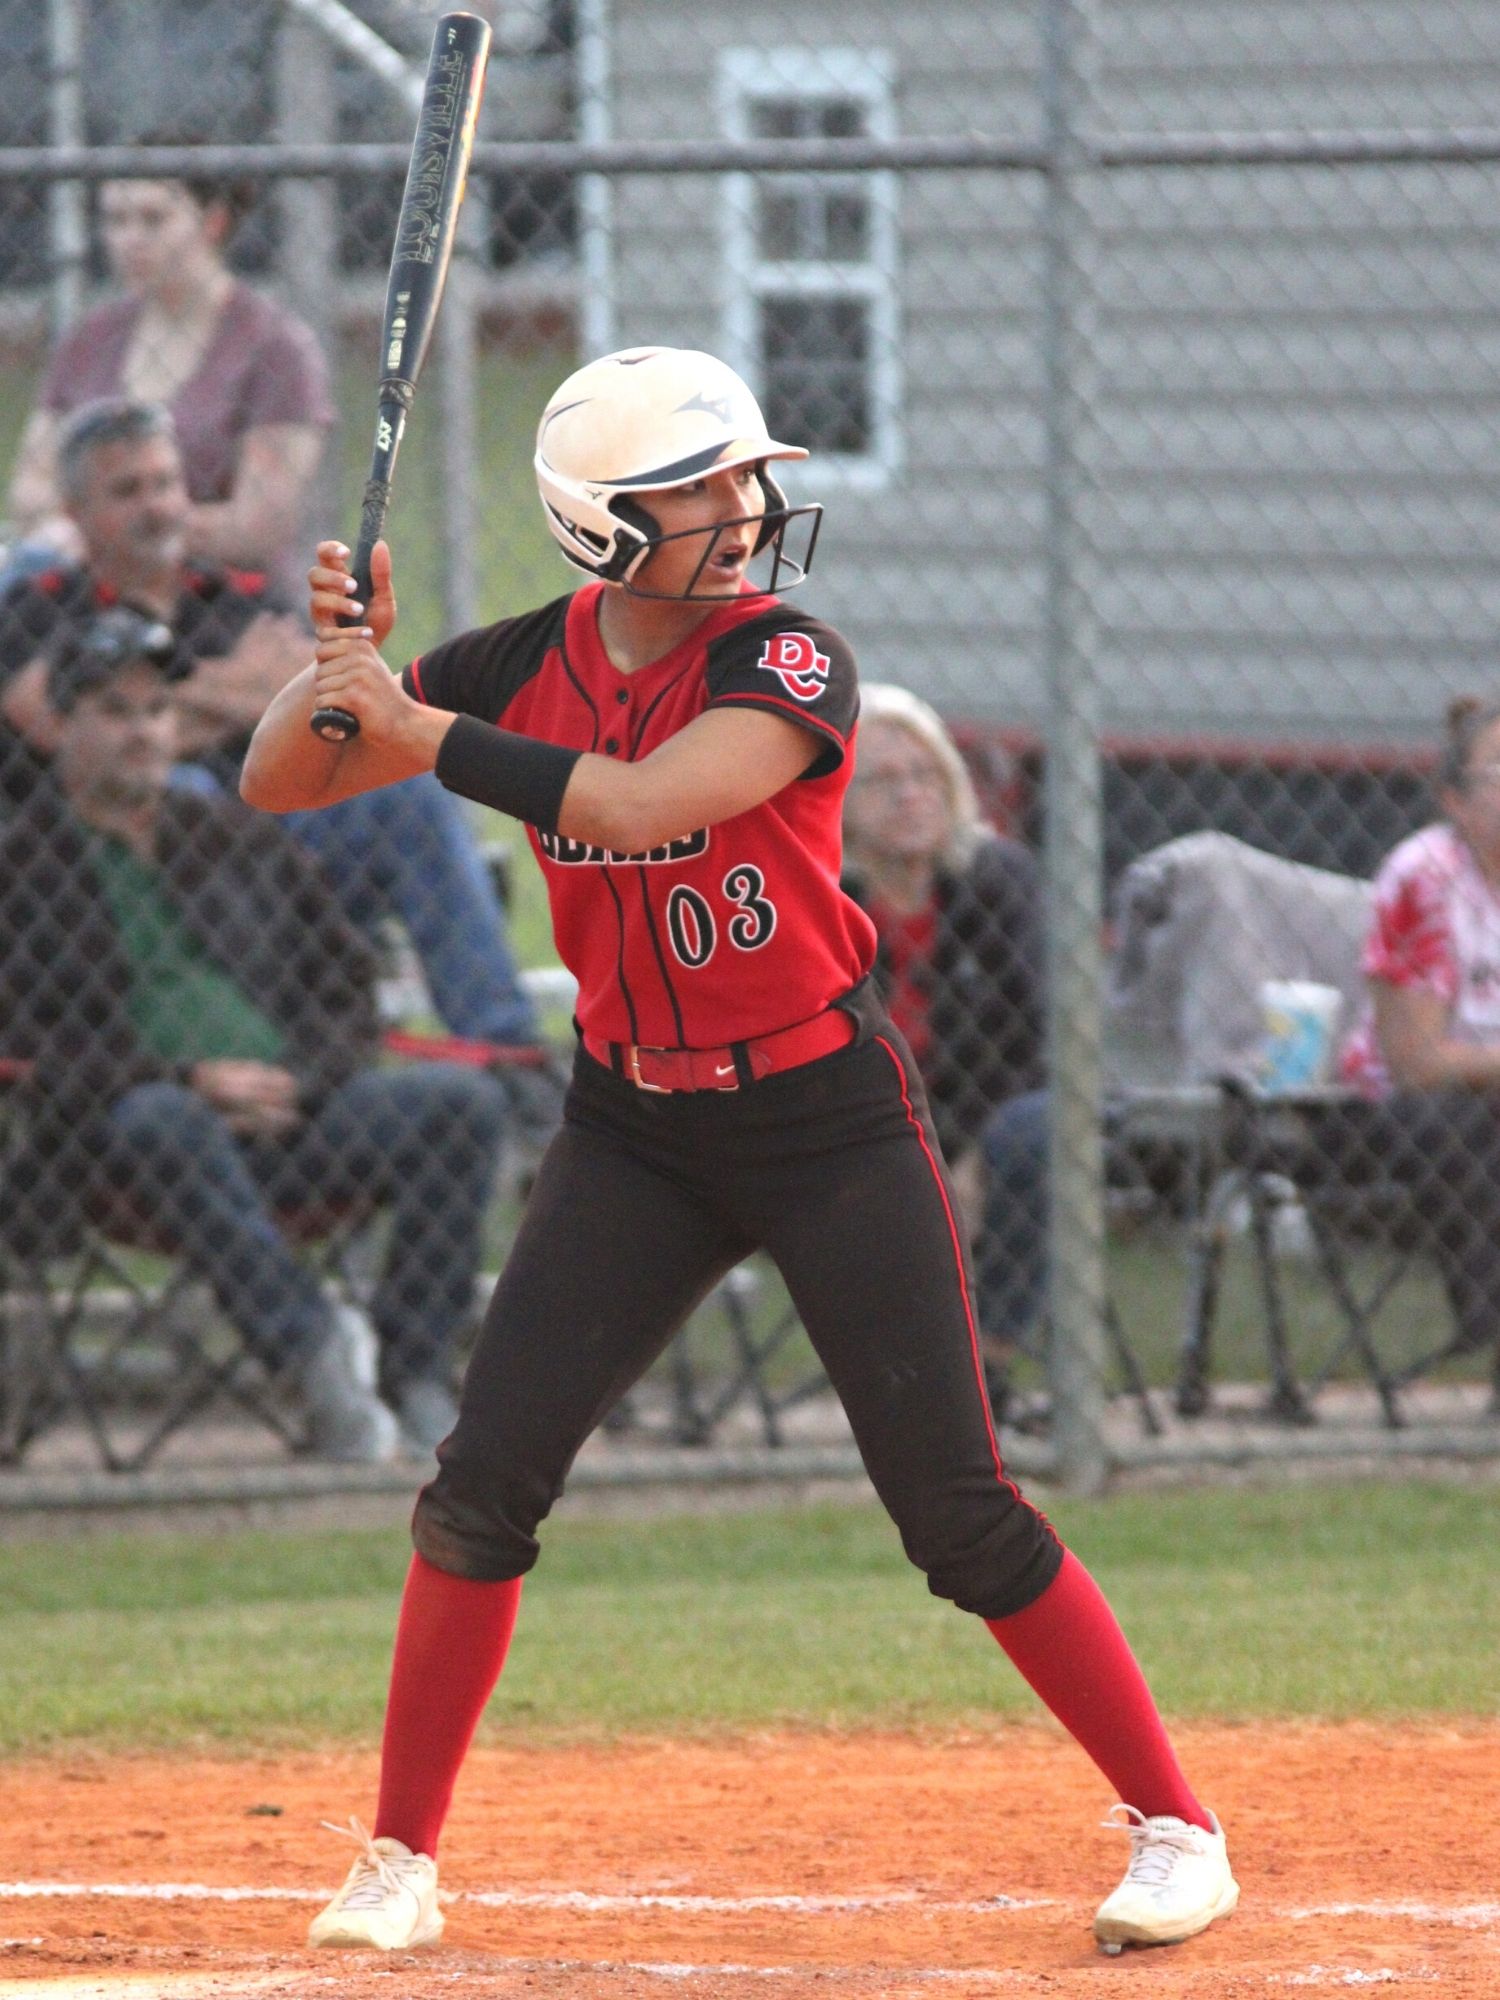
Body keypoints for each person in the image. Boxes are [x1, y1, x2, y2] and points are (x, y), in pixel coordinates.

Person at [240, 345, 1237, 1957]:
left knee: (956, 1514)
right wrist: (337, 666)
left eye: (741, 477)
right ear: (600, 527)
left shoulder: (792, 659)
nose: (744, 507)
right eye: (697, 489)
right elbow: (281, 777)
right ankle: (396, 1859)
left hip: (819, 1114)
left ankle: (1178, 1824)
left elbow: (643, 806)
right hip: (632, 1123)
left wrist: (417, 731)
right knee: (482, 1484)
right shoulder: (517, 661)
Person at [0, 606, 510, 1460]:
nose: (142, 732)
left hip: (290, 1118)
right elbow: (31, 1047)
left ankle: (410, 1373)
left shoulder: (235, 836)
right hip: (123, 1146)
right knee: (162, 1119)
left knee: (461, 1106)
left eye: (156, 710)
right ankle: (313, 1350)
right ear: (61, 724)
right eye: (114, 711)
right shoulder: (22, 871)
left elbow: (344, 985)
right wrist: (190, 1077)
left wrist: (298, 1081)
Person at [0, 398, 543, 1051]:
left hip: (279, 844)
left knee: (407, 792)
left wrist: (141, 707)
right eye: (127, 490)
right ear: (76, 514)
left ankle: (508, 1051)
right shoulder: (40, 608)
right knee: (185, 792)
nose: (156, 506)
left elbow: (334, 705)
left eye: (166, 484)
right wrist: (246, 691)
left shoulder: (239, 595)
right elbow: (63, 735)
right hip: (117, 875)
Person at [841, 683, 1045, 1416]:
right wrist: (916, 1156)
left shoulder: (999, 882)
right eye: (884, 781)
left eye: (925, 775)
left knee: (1039, 1134)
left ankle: (983, 1371)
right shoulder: (818, 899)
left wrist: (966, 1159)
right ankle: (902, 1376)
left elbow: (1038, 1040)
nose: (909, 796)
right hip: (870, 1132)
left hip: (992, 1122)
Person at [6, 149, 332, 600]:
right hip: (92, 593)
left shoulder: (275, 347)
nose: (129, 239)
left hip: (222, 598)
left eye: (153, 219)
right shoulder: (90, 339)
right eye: (115, 220)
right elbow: (30, 489)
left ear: (212, 222)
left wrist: (110, 528)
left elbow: (258, 525)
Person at [1333, 693, 1500, 1390]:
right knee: (1461, 1122)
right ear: (1454, 802)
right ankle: (1487, 1317)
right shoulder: (1424, 877)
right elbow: (1418, 1064)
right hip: (1399, 1115)